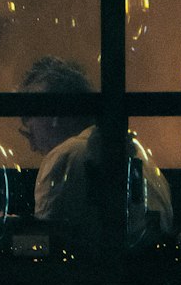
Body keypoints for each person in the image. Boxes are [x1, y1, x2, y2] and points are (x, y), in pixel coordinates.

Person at [17, 56, 172, 250]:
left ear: (53, 115)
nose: (32, 146)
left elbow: (49, 245)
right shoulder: (141, 156)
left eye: (29, 130)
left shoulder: (64, 157)